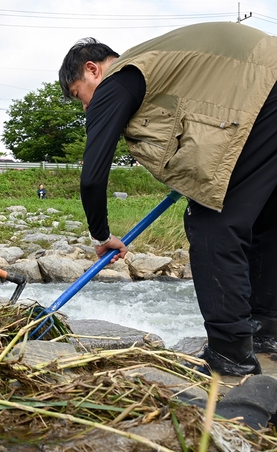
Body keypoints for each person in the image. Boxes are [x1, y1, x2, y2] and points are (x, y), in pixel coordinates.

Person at [58, 22, 277, 376]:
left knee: (211, 224)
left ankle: (230, 355)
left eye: (78, 94)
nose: (85, 107)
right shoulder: (161, 66)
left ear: (92, 69)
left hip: (262, 95)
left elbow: (92, 178)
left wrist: (101, 236)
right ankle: (267, 333)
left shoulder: (121, 77)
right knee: (266, 219)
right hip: (266, 88)